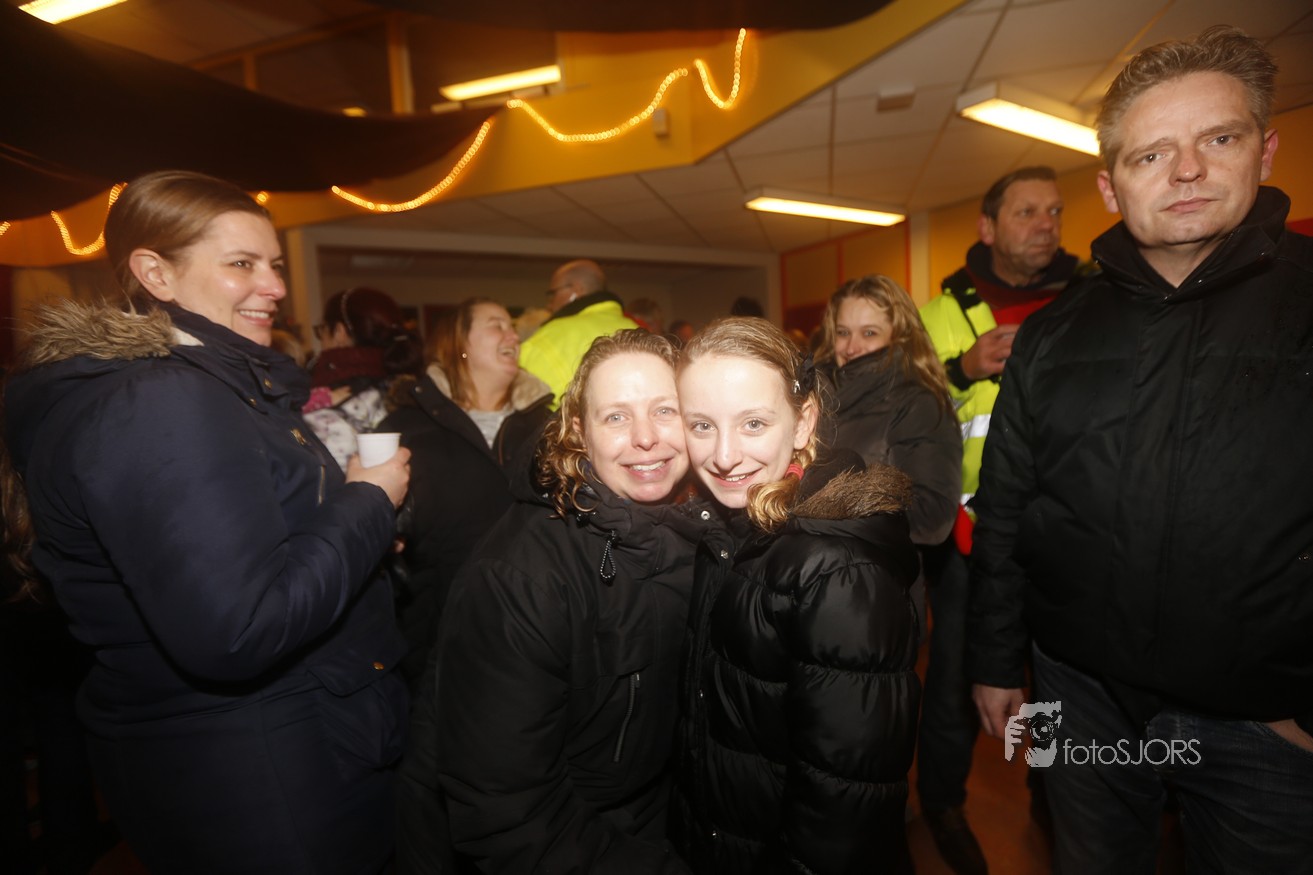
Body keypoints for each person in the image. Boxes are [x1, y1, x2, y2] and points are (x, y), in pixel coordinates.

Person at [968, 26, 1313, 873]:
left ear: (1264, 151)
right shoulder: (1051, 334)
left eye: (1217, 139)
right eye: (1151, 154)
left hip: (1265, 721)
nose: (1185, 170)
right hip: (1077, 692)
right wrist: (993, 661)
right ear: (1111, 186)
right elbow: (1007, 507)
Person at [1, 170, 412, 875]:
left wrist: (355, 526)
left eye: (274, 264)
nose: (274, 286)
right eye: (241, 264)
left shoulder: (193, 385)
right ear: (155, 273)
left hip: (255, 752)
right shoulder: (161, 400)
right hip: (260, 774)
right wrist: (367, 503)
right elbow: (238, 630)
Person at [417, 329, 704, 874]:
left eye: (665, 410)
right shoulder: (521, 576)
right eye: (616, 417)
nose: (646, 438)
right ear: (578, 432)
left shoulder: (700, 528)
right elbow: (507, 813)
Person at [671, 317, 921, 874]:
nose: (725, 455)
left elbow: (846, 801)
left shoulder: (837, 571)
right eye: (702, 425)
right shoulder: (730, 529)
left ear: (804, 422)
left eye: (754, 423)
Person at [915, 165, 1078, 874]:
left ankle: (1051, 794)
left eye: (1054, 211)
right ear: (987, 227)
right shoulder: (938, 312)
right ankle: (942, 803)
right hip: (968, 532)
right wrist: (959, 369)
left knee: (1056, 678)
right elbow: (901, 406)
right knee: (955, 677)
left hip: (1063, 528)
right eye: (1026, 212)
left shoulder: (1089, 297)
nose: (1045, 225)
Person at [378, 297, 552, 691]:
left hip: (536, 636)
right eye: (496, 325)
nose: (513, 336)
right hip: (435, 643)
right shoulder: (407, 427)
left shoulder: (548, 427)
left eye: (513, 327)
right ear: (459, 344)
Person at [818, 274, 961, 548]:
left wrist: (829, 503)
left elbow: (931, 517)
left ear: (900, 336)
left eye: (869, 333)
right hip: (813, 562)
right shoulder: (815, 393)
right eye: (843, 332)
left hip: (875, 568)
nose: (851, 347)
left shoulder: (918, 404)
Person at [305, 286, 423, 469]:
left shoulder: (319, 399)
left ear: (339, 332)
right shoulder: (417, 390)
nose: (321, 340)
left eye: (322, 330)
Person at [518, 259, 637, 404]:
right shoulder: (636, 329)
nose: (549, 303)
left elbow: (520, 396)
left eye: (553, 293)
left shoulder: (551, 335)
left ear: (576, 290)